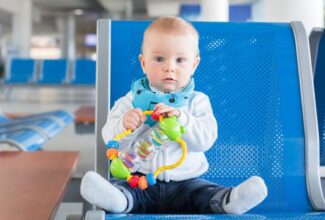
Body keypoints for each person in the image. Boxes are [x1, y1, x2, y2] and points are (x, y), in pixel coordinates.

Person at [80, 16, 267, 214]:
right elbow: (109, 137)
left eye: (180, 60)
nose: (169, 67)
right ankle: (117, 200)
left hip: (187, 183)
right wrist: (124, 125)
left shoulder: (197, 101)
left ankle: (228, 200)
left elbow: (206, 139)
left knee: (205, 193)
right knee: (125, 190)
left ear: (194, 65)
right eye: (159, 59)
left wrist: (181, 119)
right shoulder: (130, 101)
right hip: (139, 179)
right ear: (143, 63)